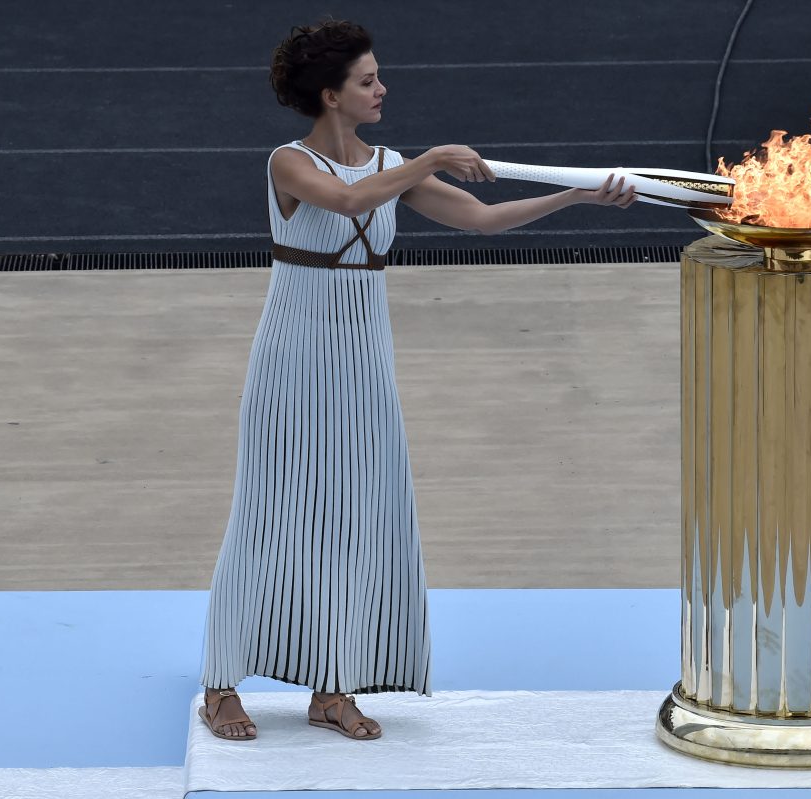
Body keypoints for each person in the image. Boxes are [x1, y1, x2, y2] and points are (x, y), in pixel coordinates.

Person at [197, 18, 637, 742]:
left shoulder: (390, 165)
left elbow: (483, 220)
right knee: (270, 514)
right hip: (292, 361)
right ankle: (221, 684)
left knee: (359, 516)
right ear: (330, 95)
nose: (382, 89)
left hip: (365, 361)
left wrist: (576, 198)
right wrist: (429, 158)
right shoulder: (289, 163)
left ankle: (333, 685)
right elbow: (346, 201)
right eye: (367, 81)